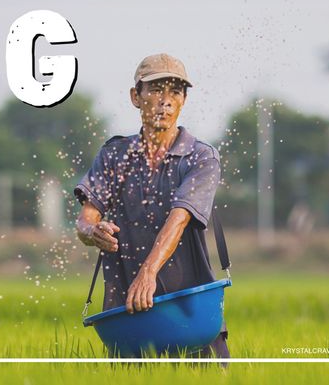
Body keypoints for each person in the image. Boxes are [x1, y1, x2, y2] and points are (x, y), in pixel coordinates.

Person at [74, 53, 229, 360]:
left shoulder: (200, 157)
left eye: (175, 92)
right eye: (156, 90)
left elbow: (180, 218)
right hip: (128, 316)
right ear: (136, 97)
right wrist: (93, 231)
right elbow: (85, 219)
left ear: (184, 100)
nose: (165, 101)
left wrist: (148, 272)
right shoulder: (115, 156)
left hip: (191, 311)